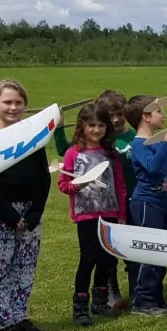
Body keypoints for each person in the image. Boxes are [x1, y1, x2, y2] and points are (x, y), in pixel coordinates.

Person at [0, 79, 51, 331]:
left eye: (19, 102)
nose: (13, 107)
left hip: (29, 211)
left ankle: (19, 316)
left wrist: (34, 214)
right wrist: (8, 214)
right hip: (0, 212)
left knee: (25, 266)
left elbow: (44, 176)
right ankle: (5, 322)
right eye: (7, 102)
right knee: (0, 268)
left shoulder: (33, 135)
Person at [56, 90, 135, 310]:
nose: (96, 130)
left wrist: (120, 214)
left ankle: (100, 303)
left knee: (108, 259)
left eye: (101, 125)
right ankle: (80, 305)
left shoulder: (110, 153)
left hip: (110, 213)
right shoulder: (73, 153)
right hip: (86, 214)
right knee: (88, 259)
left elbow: (119, 185)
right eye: (91, 125)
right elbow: (63, 184)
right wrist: (76, 185)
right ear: (81, 126)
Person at [126, 95, 167, 316]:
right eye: (159, 111)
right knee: (151, 252)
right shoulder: (139, 144)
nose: (163, 115)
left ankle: (155, 297)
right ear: (146, 117)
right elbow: (152, 167)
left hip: (162, 204)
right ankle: (142, 301)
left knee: (163, 253)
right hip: (148, 204)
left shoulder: (157, 142)